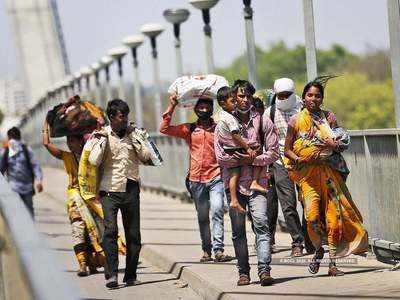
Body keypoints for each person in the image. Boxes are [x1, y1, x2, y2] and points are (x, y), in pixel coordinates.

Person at [284, 80, 368, 276]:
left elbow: (340, 144)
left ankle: (332, 264)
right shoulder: (295, 121)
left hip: (329, 174)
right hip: (308, 177)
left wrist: (333, 145)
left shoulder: (329, 118)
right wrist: (302, 158)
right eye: (310, 95)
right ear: (303, 97)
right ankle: (318, 249)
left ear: (322, 99)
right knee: (312, 217)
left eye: (318, 96)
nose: (313, 99)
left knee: (334, 217)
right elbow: (287, 150)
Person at [215, 79, 280, 286]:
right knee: (238, 232)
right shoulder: (224, 122)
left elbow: (273, 153)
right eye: (239, 96)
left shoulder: (263, 122)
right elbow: (220, 156)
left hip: (257, 183)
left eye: (246, 96)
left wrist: (253, 159)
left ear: (252, 97)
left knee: (261, 225)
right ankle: (243, 272)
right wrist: (241, 158)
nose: (243, 100)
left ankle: (264, 270)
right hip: (233, 186)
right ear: (234, 98)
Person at [159, 93, 233, 263]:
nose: (203, 109)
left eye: (207, 107)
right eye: (200, 107)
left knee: (217, 210)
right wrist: (172, 106)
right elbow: (163, 128)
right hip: (195, 180)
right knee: (202, 217)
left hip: (216, 177)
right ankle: (206, 250)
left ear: (211, 109)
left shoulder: (219, 129)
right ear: (195, 109)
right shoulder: (189, 129)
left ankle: (219, 250)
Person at [87, 99, 151, 288]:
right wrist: (103, 140)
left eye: (126, 116)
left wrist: (136, 138)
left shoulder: (135, 134)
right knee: (110, 231)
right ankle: (112, 274)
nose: (124, 121)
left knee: (133, 235)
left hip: (131, 189)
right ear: (112, 118)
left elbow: (147, 157)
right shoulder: (101, 135)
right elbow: (93, 161)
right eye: (121, 117)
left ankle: (130, 275)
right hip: (109, 191)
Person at [42, 119, 108, 276]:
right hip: (75, 200)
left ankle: (93, 262)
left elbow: (102, 141)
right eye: (68, 142)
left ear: (81, 142)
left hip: (92, 199)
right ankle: (83, 265)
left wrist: (100, 125)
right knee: (78, 229)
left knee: (95, 230)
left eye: (72, 141)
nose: (70, 145)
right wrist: (46, 124)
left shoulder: (92, 155)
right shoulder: (66, 157)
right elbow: (46, 144)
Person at [264, 78, 305, 257]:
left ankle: (311, 239)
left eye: (287, 95)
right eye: (280, 95)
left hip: (304, 163)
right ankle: (297, 241)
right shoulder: (270, 112)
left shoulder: (303, 108)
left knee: (308, 203)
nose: (283, 98)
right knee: (288, 205)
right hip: (281, 163)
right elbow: (264, 139)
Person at [216, 86, 266, 214]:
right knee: (256, 156)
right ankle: (234, 199)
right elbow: (236, 135)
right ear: (223, 103)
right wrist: (248, 148)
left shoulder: (222, 115)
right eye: (234, 100)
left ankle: (244, 190)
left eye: (248, 97)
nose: (238, 102)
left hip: (231, 150)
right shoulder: (229, 118)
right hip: (233, 150)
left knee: (235, 174)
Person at [0, 127, 43, 217]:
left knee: (29, 211)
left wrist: (39, 180)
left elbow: (35, 165)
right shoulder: (5, 151)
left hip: (27, 187)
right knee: (15, 212)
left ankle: (30, 230)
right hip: (13, 187)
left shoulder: (27, 150)